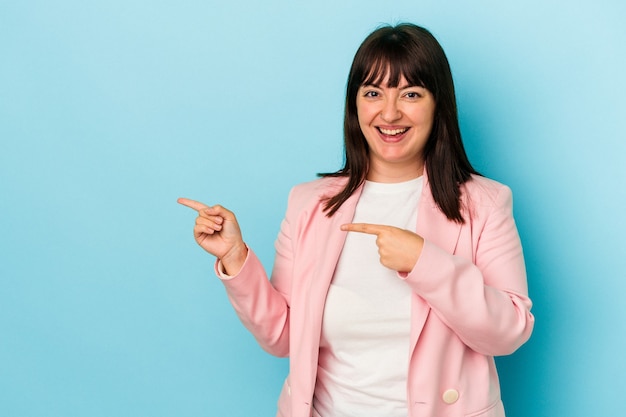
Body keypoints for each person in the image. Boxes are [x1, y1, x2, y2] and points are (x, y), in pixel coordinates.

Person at [179, 23, 534, 417]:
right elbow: (283, 336)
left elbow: (509, 331)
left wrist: (424, 262)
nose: (390, 112)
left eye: (411, 94)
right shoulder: (309, 204)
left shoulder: (484, 203)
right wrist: (235, 258)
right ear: (355, 105)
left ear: (439, 104)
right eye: (373, 93)